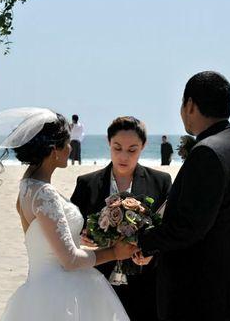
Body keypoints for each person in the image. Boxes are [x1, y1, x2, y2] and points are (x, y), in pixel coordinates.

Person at [0, 108, 137, 321]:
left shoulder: (26, 187)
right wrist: (114, 252)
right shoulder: (45, 194)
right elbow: (70, 260)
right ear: (54, 149)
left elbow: (49, 247)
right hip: (63, 294)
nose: (70, 147)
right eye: (66, 143)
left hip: (37, 290)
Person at [137, 71, 230, 321]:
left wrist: (143, 240)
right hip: (226, 289)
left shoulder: (207, 152)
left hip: (200, 295)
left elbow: (189, 226)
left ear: (190, 104)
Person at [71, 116, 172, 321]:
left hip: (145, 284)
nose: (123, 156)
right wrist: (83, 237)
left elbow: (169, 231)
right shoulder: (86, 183)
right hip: (96, 283)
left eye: (132, 149)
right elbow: (71, 230)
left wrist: (152, 253)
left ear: (143, 146)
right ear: (109, 143)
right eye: (117, 148)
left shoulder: (160, 181)